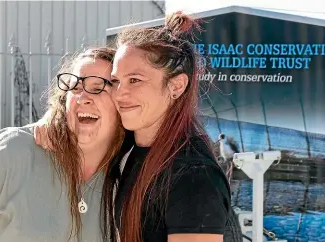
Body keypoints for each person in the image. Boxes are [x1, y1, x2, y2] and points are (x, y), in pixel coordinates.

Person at [0, 47, 124, 242]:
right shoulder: (13, 150)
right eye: (75, 88)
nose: (83, 98)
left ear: (121, 102)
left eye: (98, 87)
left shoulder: (130, 173)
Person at [100, 11, 241, 242]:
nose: (119, 93)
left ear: (176, 86)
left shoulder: (194, 176)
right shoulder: (131, 151)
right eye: (116, 81)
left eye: (135, 80)